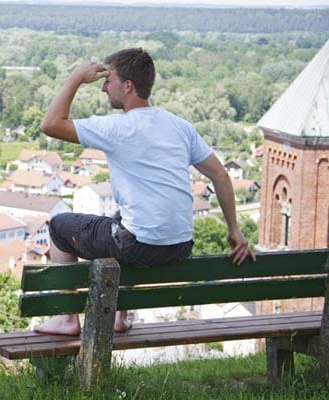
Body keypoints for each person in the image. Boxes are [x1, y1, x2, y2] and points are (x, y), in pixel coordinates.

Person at [35, 48, 256, 336]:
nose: (103, 87)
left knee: (59, 226)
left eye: (108, 80)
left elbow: (50, 124)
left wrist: (76, 77)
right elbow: (221, 176)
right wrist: (234, 230)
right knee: (123, 220)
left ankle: (65, 318)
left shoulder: (117, 127)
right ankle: (119, 317)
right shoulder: (180, 127)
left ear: (127, 86)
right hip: (180, 245)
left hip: (141, 246)